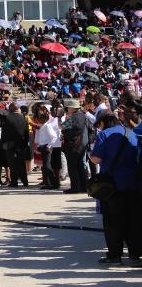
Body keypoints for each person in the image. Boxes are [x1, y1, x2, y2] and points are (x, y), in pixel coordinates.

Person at [90, 112, 142, 265]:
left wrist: (91, 156)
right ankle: (135, 254)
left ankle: (114, 255)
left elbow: (96, 158)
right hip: (133, 183)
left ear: (103, 122)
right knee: (133, 220)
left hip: (112, 185)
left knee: (113, 221)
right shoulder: (130, 132)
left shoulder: (104, 135)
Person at [0, 103, 29, 187]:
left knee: (12, 164)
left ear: (11, 108)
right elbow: (26, 133)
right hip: (21, 145)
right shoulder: (23, 118)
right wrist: (25, 144)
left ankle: (14, 182)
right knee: (21, 164)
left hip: (9, 144)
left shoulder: (7, 117)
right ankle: (25, 181)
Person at [60, 99, 89, 194]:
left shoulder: (73, 117)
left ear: (72, 108)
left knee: (72, 166)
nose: (66, 109)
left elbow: (62, 126)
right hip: (83, 143)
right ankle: (83, 186)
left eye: (67, 107)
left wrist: (61, 117)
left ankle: (75, 187)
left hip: (73, 145)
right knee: (80, 165)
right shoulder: (83, 116)